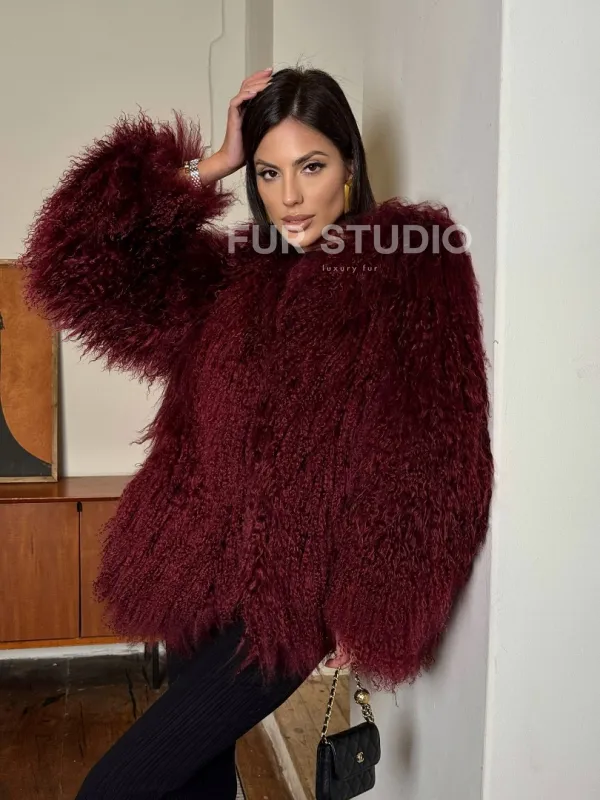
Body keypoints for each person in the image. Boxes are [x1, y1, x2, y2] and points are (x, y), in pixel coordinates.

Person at [17, 66, 494, 798]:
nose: (290, 196)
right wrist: (211, 163)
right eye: (269, 173)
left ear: (350, 166)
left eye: (312, 166)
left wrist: (368, 605)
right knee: (196, 785)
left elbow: (430, 451)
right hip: (195, 578)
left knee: (111, 789)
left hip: (287, 604)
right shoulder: (235, 276)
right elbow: (75, 263)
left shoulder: (409, 266)